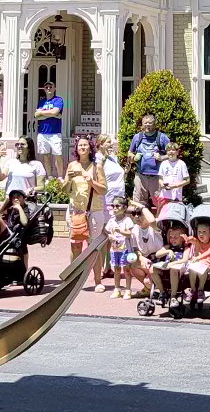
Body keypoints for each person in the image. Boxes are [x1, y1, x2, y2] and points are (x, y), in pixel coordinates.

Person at [64, 137, 105, 288]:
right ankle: (74, 280)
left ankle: (97, 281)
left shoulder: (97, 167)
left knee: (93, 246)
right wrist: (68, 179)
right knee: (75, 245)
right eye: (80, 145)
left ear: (90, 148)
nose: (82, 147)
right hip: (75, 211)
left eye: (85, 145)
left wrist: (91, 181)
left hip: (94, 210)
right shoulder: (72, 166)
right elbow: (64, 190)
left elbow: (103, 190)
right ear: (77, 148)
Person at [127, 113, 170, 206]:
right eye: (145, 123)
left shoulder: (162, 137)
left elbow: (172, 153)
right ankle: (141, 220)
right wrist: (133, 157)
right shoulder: (137, 137)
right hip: (140, 176)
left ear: (154, 125)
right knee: (138, 204)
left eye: (150, 123)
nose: (147, 125)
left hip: (157, 177)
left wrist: (162, 157)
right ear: (142, 125)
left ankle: (159, 220)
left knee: (160, 203)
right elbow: (130, 152)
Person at [149, 215, 193, 304]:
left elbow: (185, 259)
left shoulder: (186, 247)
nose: (173, 239)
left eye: (176, 237)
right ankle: (162, 292)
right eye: (171, 237)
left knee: (173, 269)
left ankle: (173, 296)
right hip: (166, 268)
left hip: (178, 270)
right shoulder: (168, 246)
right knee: (152, 269)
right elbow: (157, 254)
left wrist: (173, 263)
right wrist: (168, 251)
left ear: (182, 238)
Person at [128, 201, 164, 296]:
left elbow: (151, 221)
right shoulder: (135, 229)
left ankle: (163, 290)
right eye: (134, 213)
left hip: (160, 259)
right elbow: (136, 249)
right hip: (147, 260)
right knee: (133, 266)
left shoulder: (155, 225)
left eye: (139, 213)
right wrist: (141, 258)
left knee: (148, 282)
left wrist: (142, 207)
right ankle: (149, 289)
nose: (136, 216)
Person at [103, 197, 136, 298]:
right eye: (113, 206)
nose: (115, 208)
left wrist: (120, 231)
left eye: (117, 206)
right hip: (114, 248)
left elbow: (130, 233)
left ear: (124, 208)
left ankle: (128, 289)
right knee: (116, 269)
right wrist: (109, 236)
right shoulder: (112, 220)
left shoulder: (127, 220)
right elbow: (106, 230)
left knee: (126, 269)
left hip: (125, 248)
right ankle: (117, 289)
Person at [184, 218, 210, 311]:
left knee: (202, 269)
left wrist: (198, 258)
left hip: (209, 267)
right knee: (192, 268)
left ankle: (200, 290)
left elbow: (209, 252)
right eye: (199, 232)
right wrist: (188, 239)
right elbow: (193, 240)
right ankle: (193, 290)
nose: (201, 234)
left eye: (204, 232)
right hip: (197, 266)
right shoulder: (198, 241)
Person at [34, 82, 65, 179]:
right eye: (46, 87)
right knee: (45, 156)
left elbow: (55, 112)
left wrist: (42, 113)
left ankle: (60, 177)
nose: (48, 88)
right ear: (44, 89)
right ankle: (50, 177)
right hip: (42, 133)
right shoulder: (41, 102)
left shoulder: (58, 100)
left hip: (55, 133)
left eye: (50, 86)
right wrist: (51, 114)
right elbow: (36, 116)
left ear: (54, 88)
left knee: (58, 155)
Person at [156, 141, 189, 210]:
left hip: (176, 197)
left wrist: (175, 186)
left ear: (177, 152)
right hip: (164, 196)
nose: (171, 152)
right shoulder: (163, 163)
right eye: (168, 150)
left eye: (173, 150)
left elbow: (187, 180)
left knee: (174, 217)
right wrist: (162, 184)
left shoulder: (181, 164)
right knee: (161, 217)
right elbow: (160, 178)